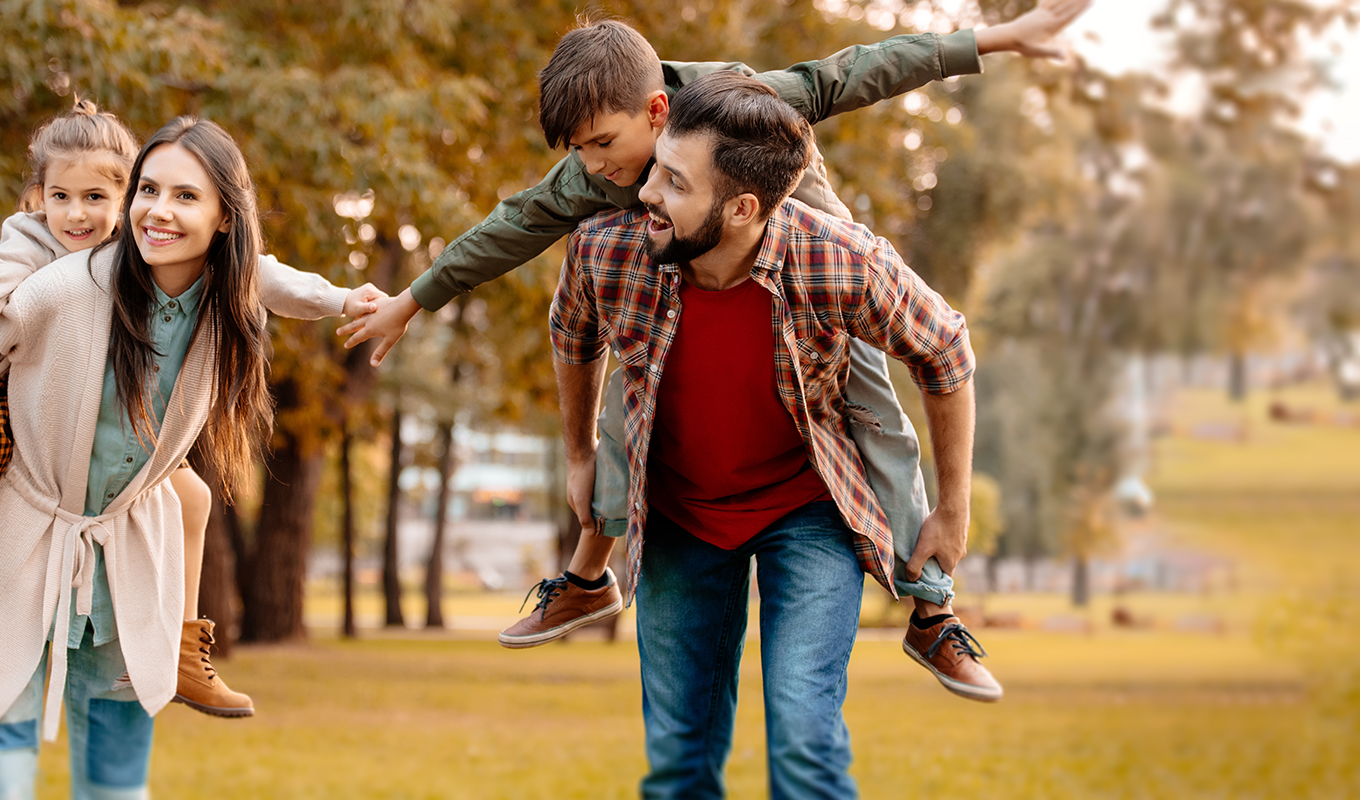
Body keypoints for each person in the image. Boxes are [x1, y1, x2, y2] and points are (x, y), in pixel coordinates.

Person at [340, 3, 1092, 696]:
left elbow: (858, 70)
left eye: (605, 144)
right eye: (580, 150)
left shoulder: (740, 101)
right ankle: (587, 575)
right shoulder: (592, 171)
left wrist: (990, 39)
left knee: (876, 416)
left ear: (658, 110)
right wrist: (411, 300)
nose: (596, 166)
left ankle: (933, 613)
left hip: (813, 291)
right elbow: (511, 226)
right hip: (690, 294)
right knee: (628, 404)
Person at [0, 100, 381, 723]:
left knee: (194, 499)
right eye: (60, 197)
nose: (77, 214)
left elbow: (263, 276)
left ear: (123, 194)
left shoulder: (142, 250)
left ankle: (186, 654)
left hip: (97, 406)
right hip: (11, 396)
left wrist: (345, 299)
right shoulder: (28, 247)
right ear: (36, 199)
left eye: (97, 198)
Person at [551, 69, 980, 797]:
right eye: (656, 170)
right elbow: (571, 332)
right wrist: (579, 451)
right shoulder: (609, 250)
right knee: (679, 760)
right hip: (683, 516)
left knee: (805, 740)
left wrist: (953, 505)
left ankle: (932, 617)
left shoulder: (838, 260)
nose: (647, 194)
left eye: (675, 185)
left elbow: (945, 350)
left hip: (808, 514)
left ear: (743, 207)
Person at [0, 116, 287, 798]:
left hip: (125, 574)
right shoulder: (62, 283)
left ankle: (187, 650)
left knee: (116, 782)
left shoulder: (217, 306)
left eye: (186, 196)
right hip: (20, 551)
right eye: (149, 191)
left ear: (224, 216)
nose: (158, 209)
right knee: (0, 768)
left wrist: (357, 300)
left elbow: (277, 281)